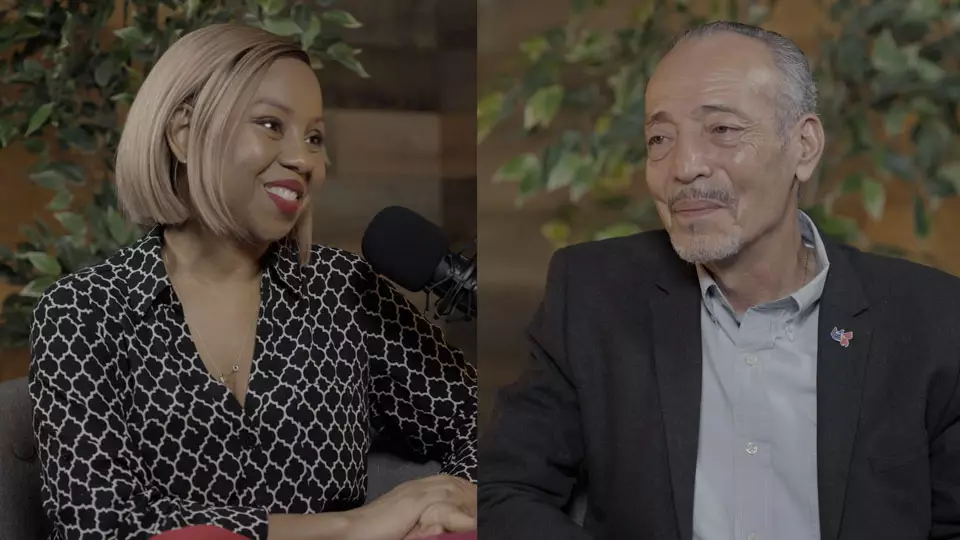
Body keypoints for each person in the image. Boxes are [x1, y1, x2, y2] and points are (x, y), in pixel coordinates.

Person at [478, 21, 960, 540]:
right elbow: (506, 492)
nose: (684, 166)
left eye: (722, 130)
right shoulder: (594, 296)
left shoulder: (930, 319)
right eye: (660, 138)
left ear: (804, 146)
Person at [29, 24, 477, 540]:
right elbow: (99, 527)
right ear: (183, 133)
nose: (304, 160)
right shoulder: (81, 313)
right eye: (270, 125)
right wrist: (352, 526)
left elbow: (478, 422)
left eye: (314, 138)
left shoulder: (342, 290)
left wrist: (453, 500)